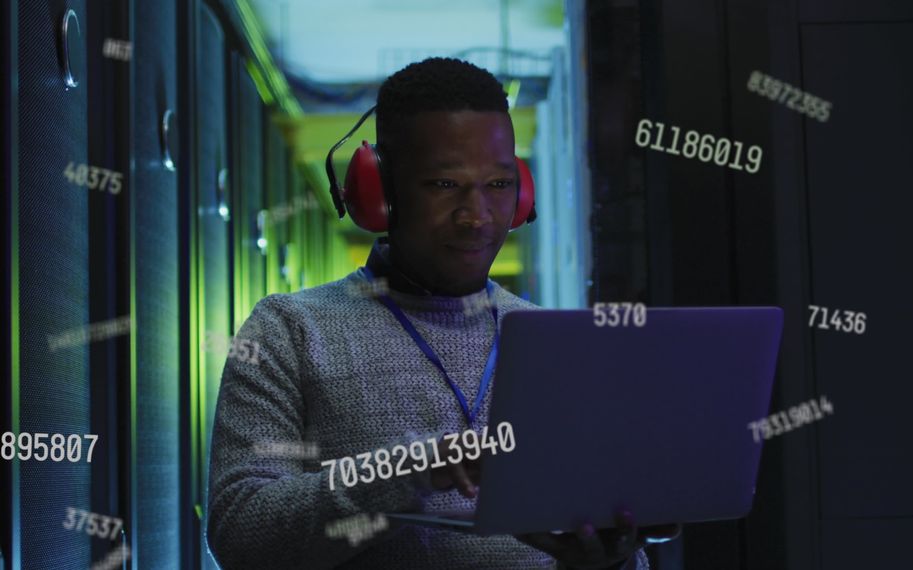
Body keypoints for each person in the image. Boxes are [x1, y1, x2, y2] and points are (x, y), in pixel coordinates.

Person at [206, 57, 679, 569]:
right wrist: (405, 472)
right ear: (378, 190)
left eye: (498, 185)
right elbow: (239, 532)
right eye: (444, 185)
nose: (477, 216)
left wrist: (607, 563)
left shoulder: (560, 346)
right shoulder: (290, 330)